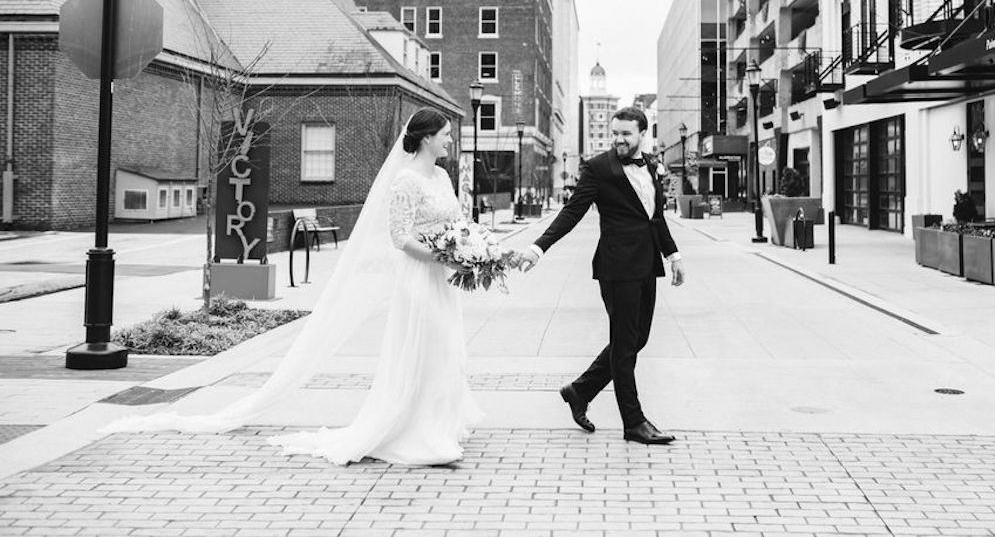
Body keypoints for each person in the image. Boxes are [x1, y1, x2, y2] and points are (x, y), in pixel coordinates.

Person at [103, 108, 482, 466]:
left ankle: (440, 420)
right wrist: (441, 256)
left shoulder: (443, 178)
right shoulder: (405, 181)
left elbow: (456, 224)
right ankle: (415, 429)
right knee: (422, 346)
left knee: (446, 344)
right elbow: (399, 238)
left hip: (442, 278)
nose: (450, 140)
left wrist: (468, 247)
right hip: (420, 276)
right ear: (426, 138)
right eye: (446, 134)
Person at [518, 107, 685, 445]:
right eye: (616, 133)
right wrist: (538, 248)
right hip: (617, 267)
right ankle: (634, 422)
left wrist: (674, 255)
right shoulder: (598, 168)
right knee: (625, 346)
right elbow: (572, 211)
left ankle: (580, 391)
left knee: (637, 340)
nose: (619, 139)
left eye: (626, 133)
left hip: (647, 265)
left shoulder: (651, 166)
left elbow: (656, 218)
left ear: (642, 134)